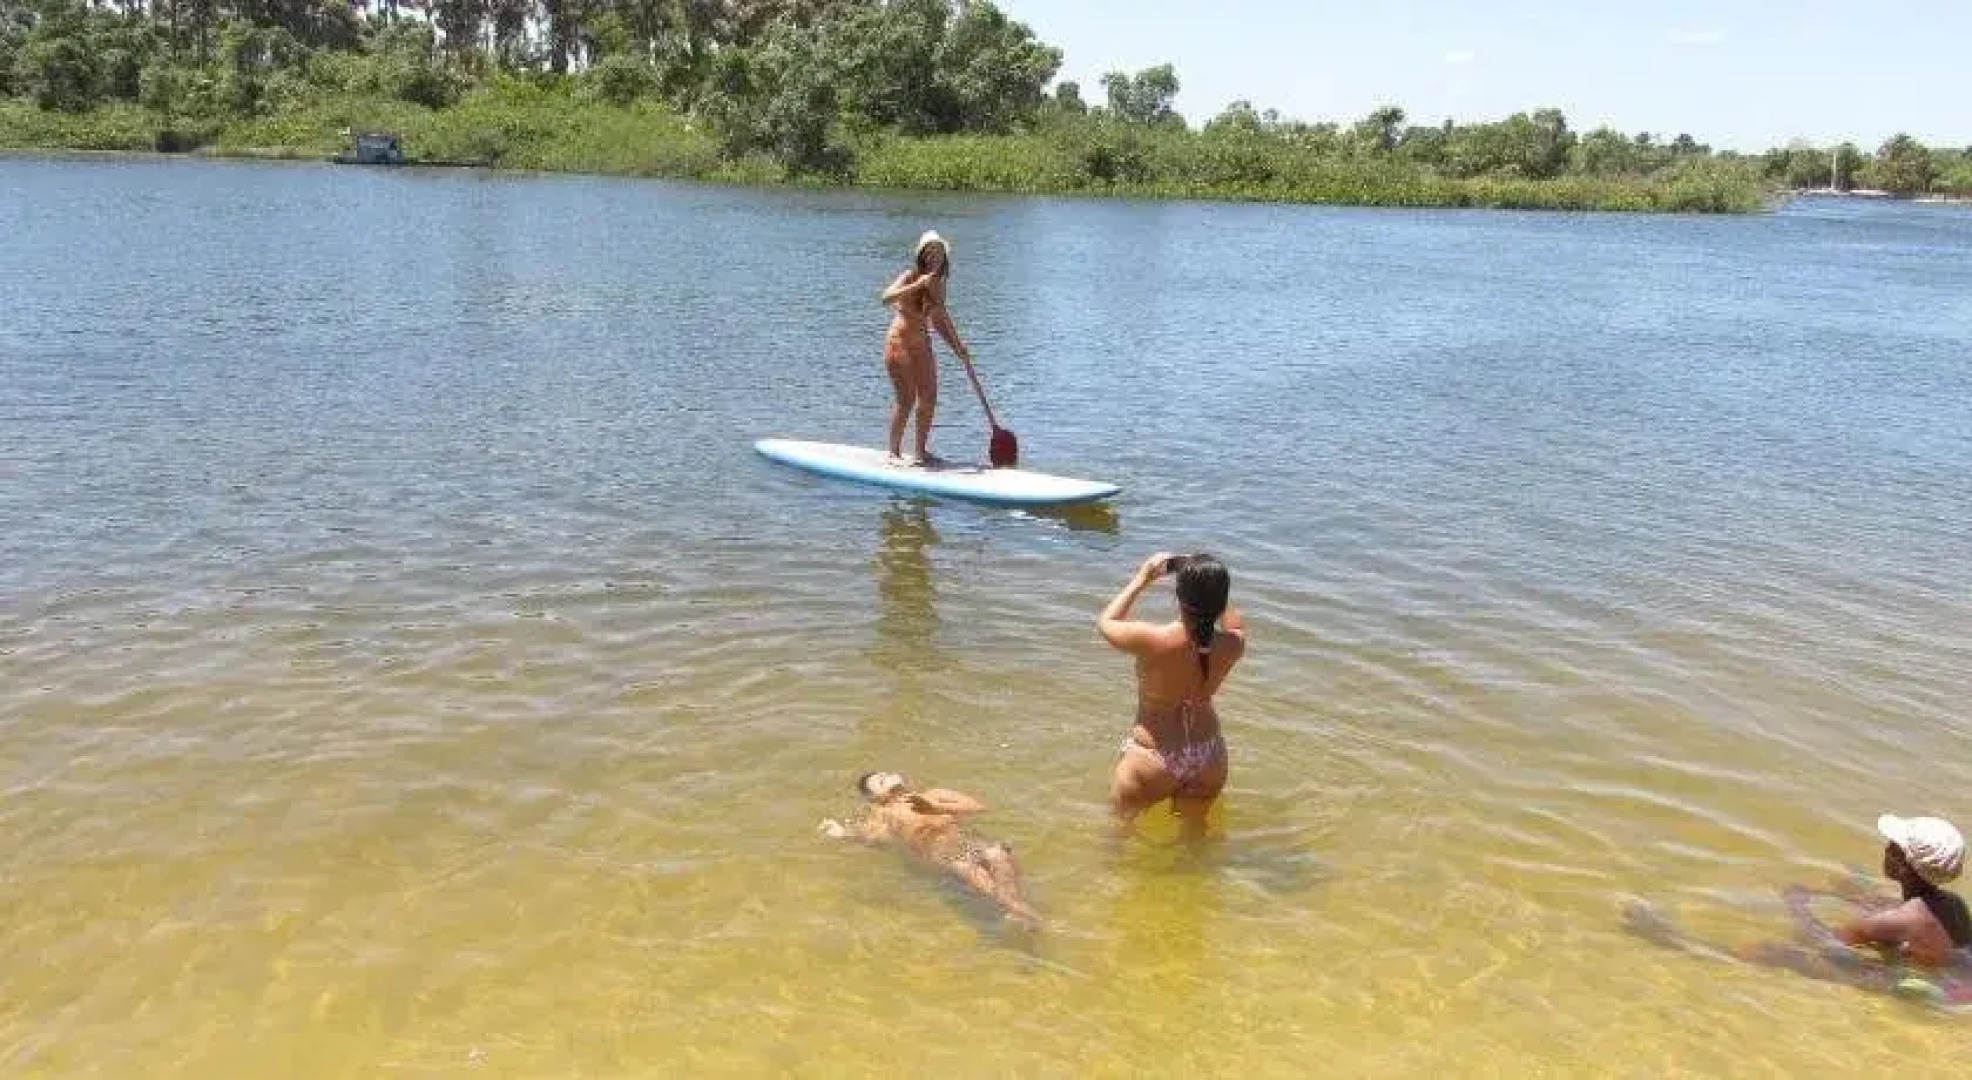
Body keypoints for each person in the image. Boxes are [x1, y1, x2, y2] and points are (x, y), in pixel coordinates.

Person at [1623, 813, 1972, 1004]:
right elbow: (1928, 933)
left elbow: (1827, 941)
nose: (1885, 847)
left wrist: (1797, 905)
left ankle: (1670, 938)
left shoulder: (1891, 921)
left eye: (1892, 845)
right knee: (1859, 887)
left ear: (1902, 864)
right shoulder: (1953, 905)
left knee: (1773, 952)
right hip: (1940, 976)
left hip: (1893, 978)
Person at [1097, 552, 1246, 833]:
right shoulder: (1233, 644)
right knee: (1195, 839)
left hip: (1153, 758)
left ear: (1178, 597)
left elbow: (1106, 622)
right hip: (1209, 756)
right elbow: (1233, 622)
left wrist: (1142, 578)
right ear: (1222, 601)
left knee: (1118, 838)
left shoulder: (1151, 639)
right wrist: (1209, 580)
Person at [819, 771, 1039, 927]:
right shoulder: (884, 815)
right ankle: (1030, 919)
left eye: (885, 774)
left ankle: (1022, 914)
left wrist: (936, 807)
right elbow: (872, 837)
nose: (886, 777)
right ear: (876, 797)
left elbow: (978, 807)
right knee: (998, 896)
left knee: (998, 856)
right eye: (880, 781)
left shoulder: (934, 794)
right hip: (951, 857)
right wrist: (842, 833)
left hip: (972, 842)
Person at [879, 231, 973, 466]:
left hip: (922, 343)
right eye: (929, 252)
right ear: (922, 255)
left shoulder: (939, 287)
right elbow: (886, 297)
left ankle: (920, 452)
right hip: (899, 341)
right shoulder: (909, 275)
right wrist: (917, 285)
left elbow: (940, 320)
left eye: (938, 252)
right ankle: (893, 452)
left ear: (944, 258)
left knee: (929, 397)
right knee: (907, 399)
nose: (933, 256)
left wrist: (958, 347)